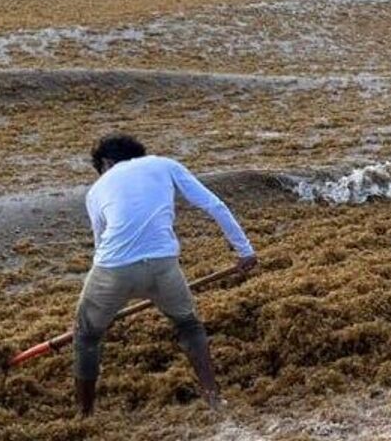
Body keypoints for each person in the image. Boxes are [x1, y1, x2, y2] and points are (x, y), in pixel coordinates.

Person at [74, 134, 256, 417]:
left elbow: (101, 246)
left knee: (86, 336)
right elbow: (214, 205)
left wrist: (110, 298)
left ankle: (84, 415)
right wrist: (245, 250)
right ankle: (214, 399)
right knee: (189, 327)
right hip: (163, 266)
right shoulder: (164, 165)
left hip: (113, 271)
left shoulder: (96, 191)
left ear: (106, 163)